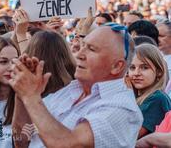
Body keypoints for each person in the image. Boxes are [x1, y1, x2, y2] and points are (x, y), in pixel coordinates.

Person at [10, 23, 142, 147]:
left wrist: (31, 96)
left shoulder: (122, 108)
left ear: (116, 66)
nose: (79, 54)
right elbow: (21, 141)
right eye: (82, 46)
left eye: (91, 49)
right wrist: (22, 94)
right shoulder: (71, 90)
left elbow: (70, 144)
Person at [128, 43, 171, 138]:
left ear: (159, 72)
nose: (136, 73)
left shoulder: (157, 99)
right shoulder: (137, 97)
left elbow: (129, 136)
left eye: (144, 67)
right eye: (132, 67)